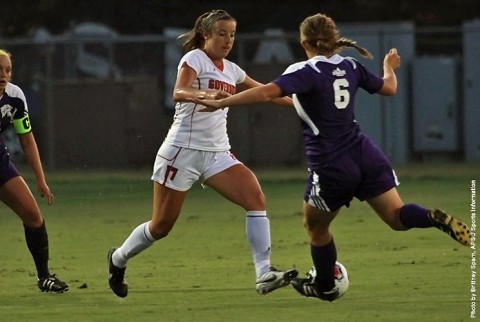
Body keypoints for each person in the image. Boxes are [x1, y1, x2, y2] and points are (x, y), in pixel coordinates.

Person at [194, 12, 472, 302]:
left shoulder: (304, 70)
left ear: (304, 42)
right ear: (334, 40)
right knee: (396, 217)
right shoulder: (351, 66)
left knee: (316, 228)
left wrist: (223, 102)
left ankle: (325, 284)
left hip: (331, 163)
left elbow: (266, 93)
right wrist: (389, 66)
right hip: (365, 153)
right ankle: (431, 217)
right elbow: (389, 88)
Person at [107, 9, 297, 298]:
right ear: (206, 35)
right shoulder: (195, 58)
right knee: (161, 226)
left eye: (232, 34)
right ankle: (118, 259)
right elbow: (179, 92)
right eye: (221, 33)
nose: (227, 40)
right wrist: (208, 96)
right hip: (182, 151)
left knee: (256, 199)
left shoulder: (232, 70)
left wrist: (306, 104)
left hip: (218, 153)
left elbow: (269, 93)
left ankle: (264, 273)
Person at [0, 49, 69, 293]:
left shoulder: (14, 96)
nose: (4, 75)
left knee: (33, 216)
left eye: (7, 70)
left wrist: (41, 180)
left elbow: (26, 139)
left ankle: (44, 277)